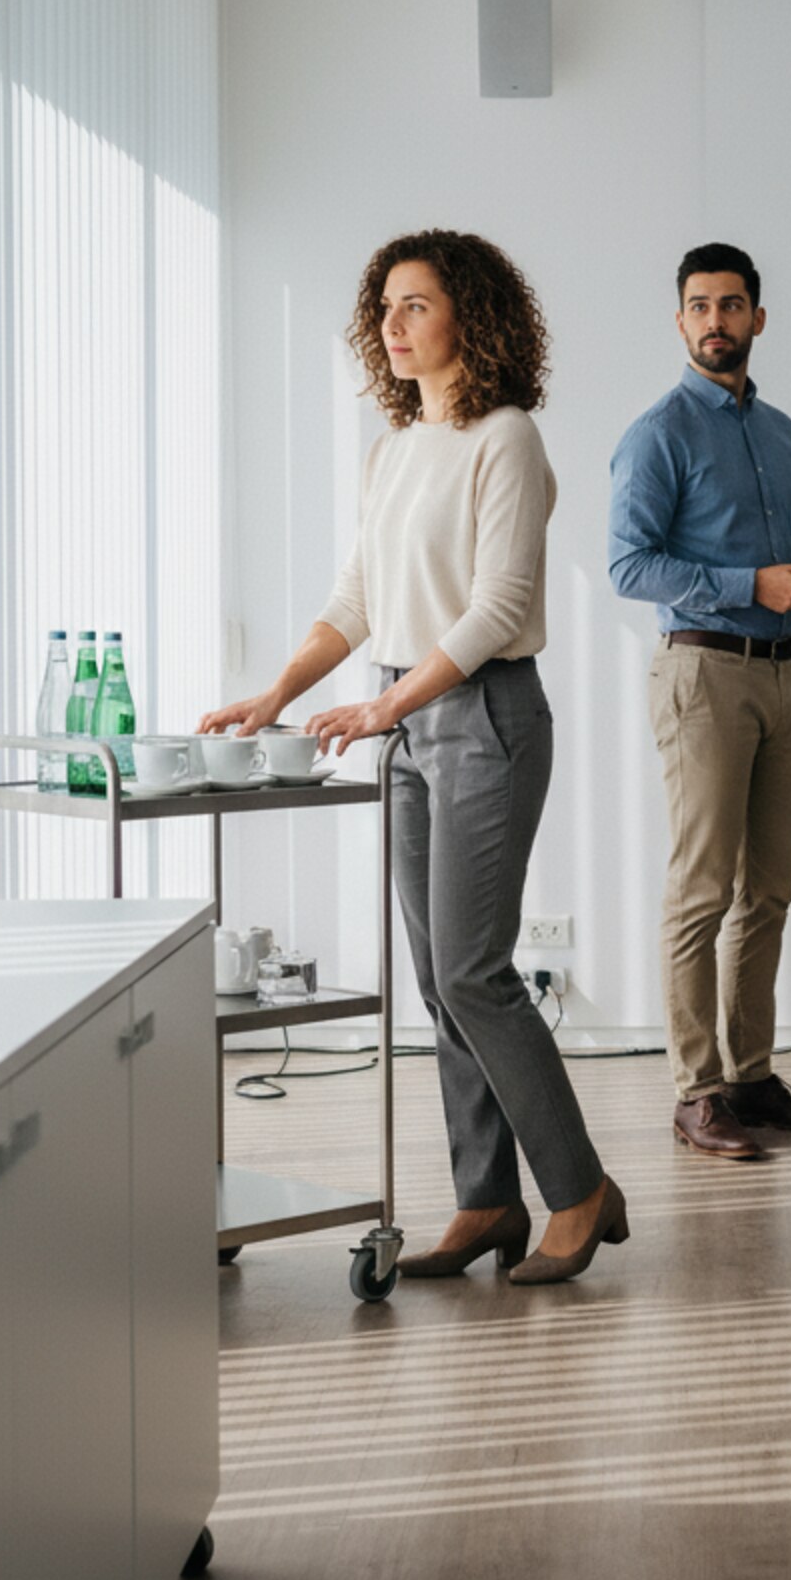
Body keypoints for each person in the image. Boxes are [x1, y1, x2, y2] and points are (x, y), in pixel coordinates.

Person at [201, 230, 623, 1285]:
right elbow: (355, 601)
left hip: (483, 715)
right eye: (382, 306)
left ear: (467, 319)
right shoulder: (392, 451)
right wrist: (277, 692)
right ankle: (486, 1199)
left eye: (415, 304)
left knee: (475, 970)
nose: (390, 324)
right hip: (405, 719)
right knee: (440, 981)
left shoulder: (506, 439)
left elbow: (501, 607)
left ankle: (579, 1191)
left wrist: (385, 701)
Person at [607, 243, 791, 1160]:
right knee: (702, 890)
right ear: (680, 321)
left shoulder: (780, 430)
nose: (717, 320)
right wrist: (751, 580)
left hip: (784, 674)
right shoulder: (659, 432)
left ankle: (750, 1077)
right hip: (704, 674)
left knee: (772, 888)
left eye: (733, 304)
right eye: (700, 306)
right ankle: (696, 1089)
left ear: (757, 317)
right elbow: (630, 564)